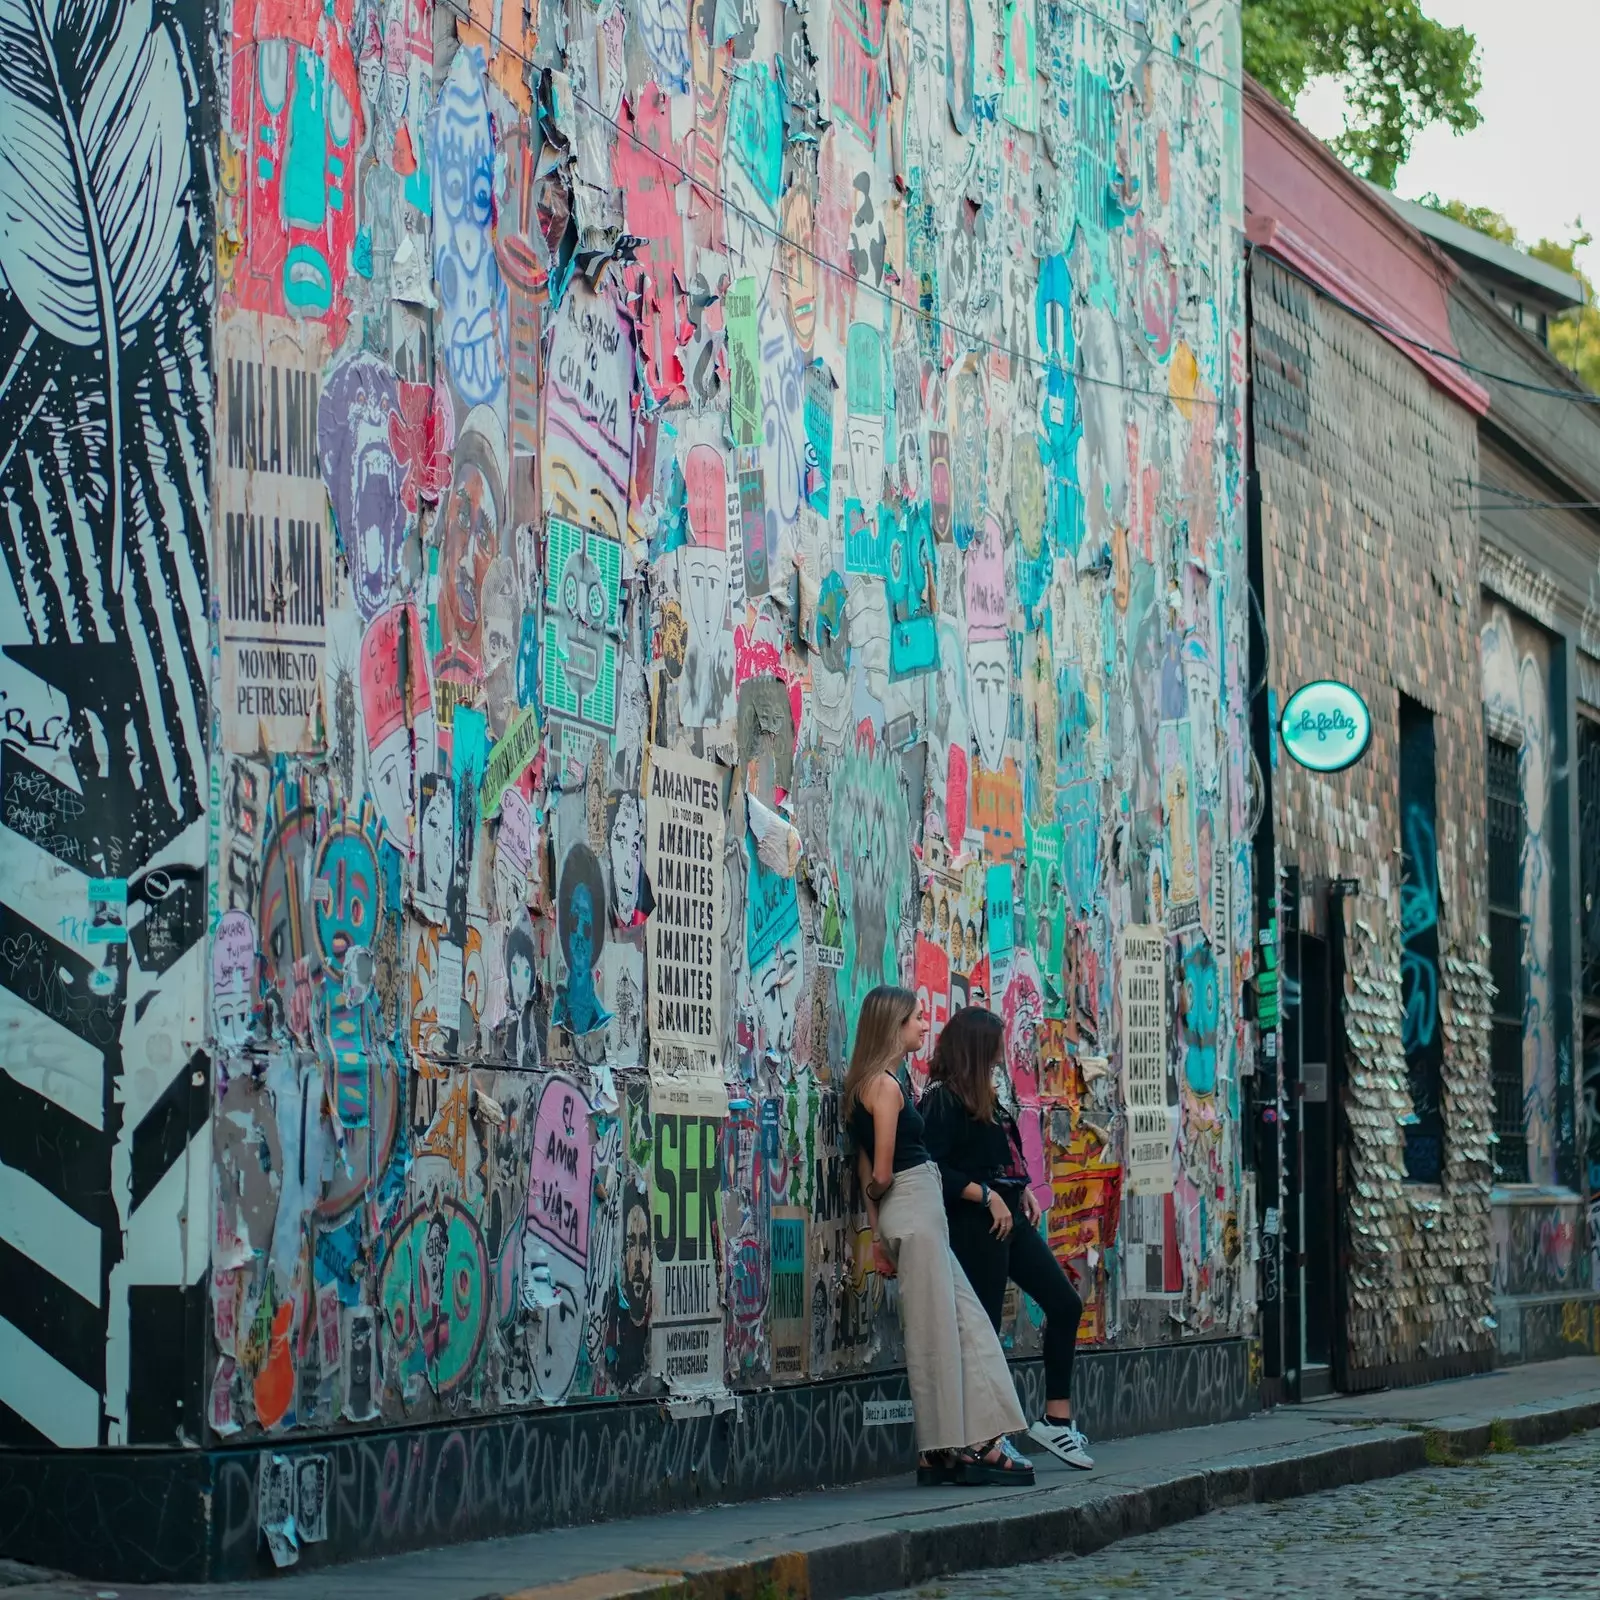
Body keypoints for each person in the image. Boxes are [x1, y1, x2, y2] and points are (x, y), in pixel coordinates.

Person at [842, 984, 1034, 1486]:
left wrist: (878, 1228)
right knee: (937, 1334)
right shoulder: (885, 1085)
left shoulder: (877, 1082)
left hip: (911, 1210)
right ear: (893, 1026)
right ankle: (948, 1449)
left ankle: (971, 1441)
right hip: (913, 1203)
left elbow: (867, 1161)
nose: (926, 1026)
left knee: (964, 1322)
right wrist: (878, 1201)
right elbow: (879, 1171)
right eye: (917, 1019)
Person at [921, 1005, 1094, 1469]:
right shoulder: (941, 1100)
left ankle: (1056, 1422)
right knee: (984, 1332)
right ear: (977, 1046)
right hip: (974, 1224)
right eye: (996, 1043)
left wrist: (1021, 1194)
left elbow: (1002, 1158)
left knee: (1065, 1303)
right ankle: (984, 1439)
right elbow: (932, 1169)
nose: (1003, 1051)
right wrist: (986, 1196)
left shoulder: (987, 1095)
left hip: (1008, 1218)